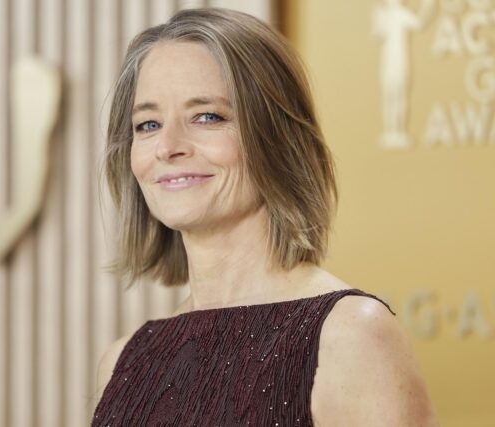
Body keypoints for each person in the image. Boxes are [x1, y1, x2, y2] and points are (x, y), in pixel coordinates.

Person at [92, 7, 439, 426]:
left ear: (275, 136)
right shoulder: (123, 361)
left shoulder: (352, 336)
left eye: (207, 116)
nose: (168, 147)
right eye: (148, 124)